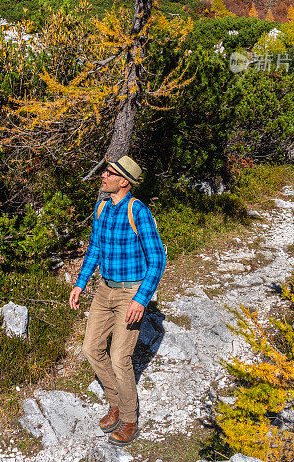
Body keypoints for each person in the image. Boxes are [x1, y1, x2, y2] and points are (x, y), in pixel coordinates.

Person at [69, 155, 166, 447]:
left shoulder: (138, 211)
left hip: (130, 293)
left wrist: (141, 298)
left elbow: (157, 258)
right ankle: (114, 402)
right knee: (91, 348)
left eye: (109, 173)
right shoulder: (102, 208)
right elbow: (95, 248)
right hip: (104, 290)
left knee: (120, 358)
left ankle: (130, 419)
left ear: (123, 181)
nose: (103, 176)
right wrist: (80, 283)